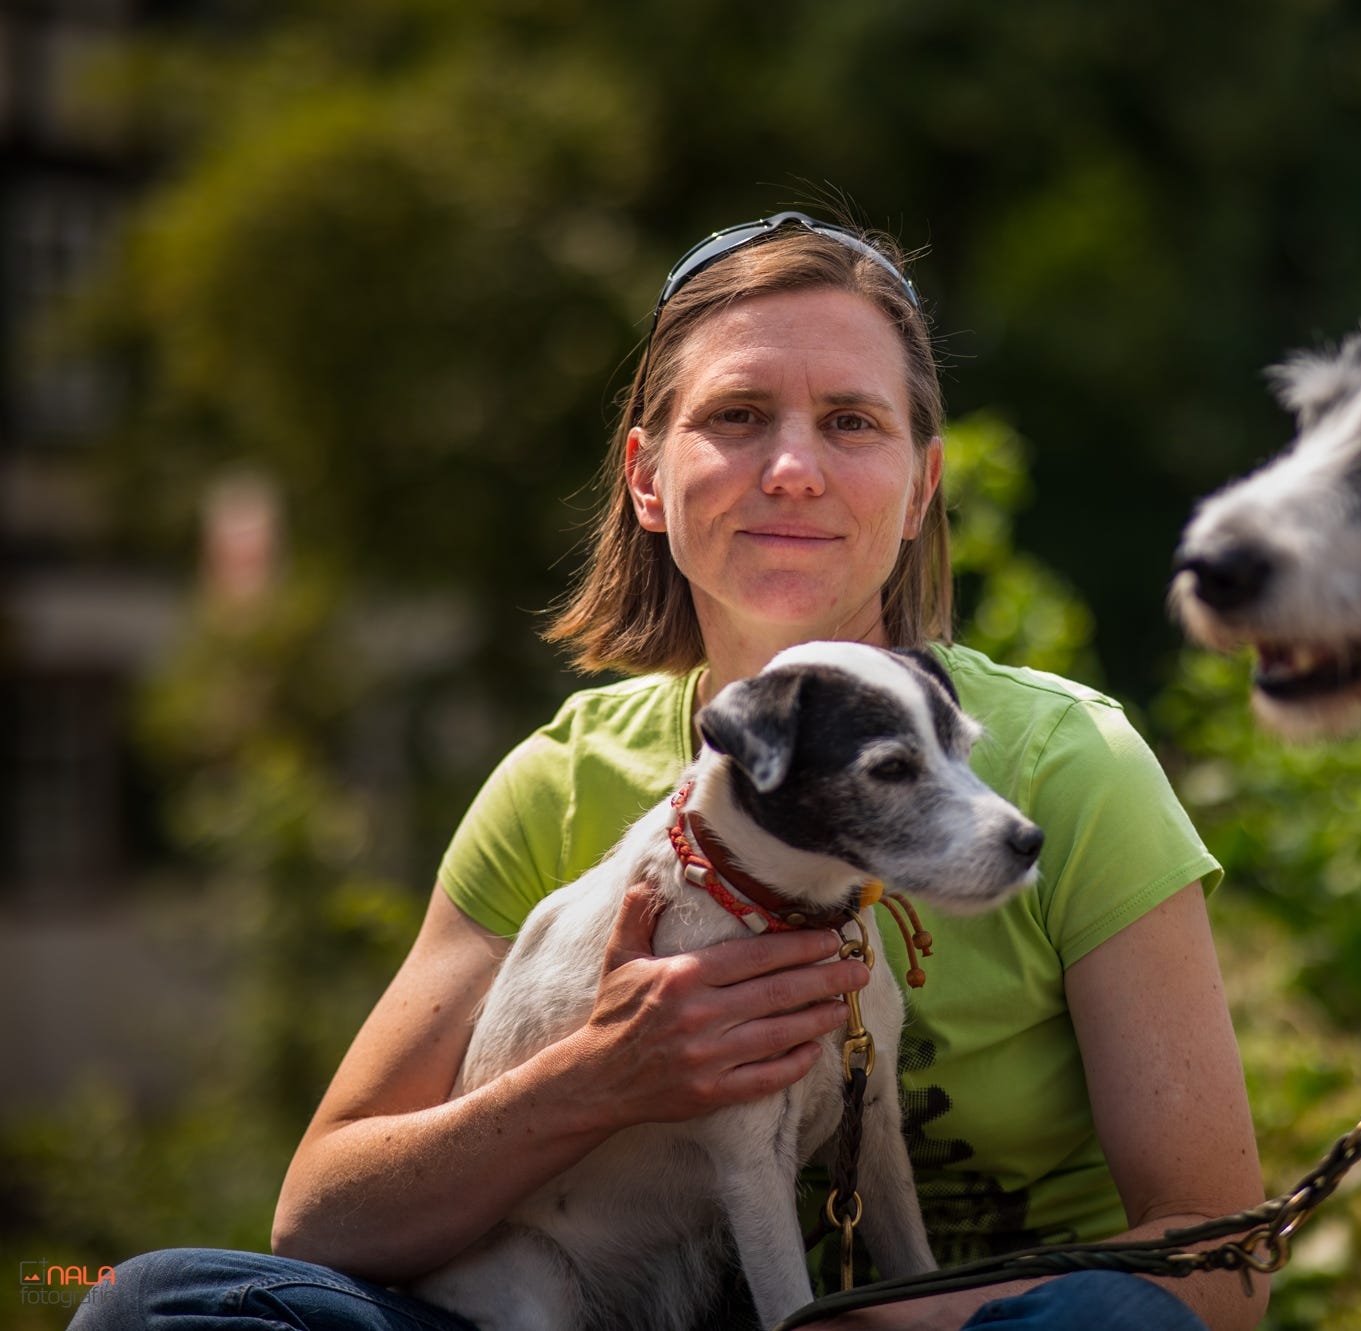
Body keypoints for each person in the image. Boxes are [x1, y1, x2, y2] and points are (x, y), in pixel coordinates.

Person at [77, 212, 1267, 1331]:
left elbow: (1221, 1260)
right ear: (646, 478)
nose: (791, 467)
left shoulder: (1067, 764)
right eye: (738, 415)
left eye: (851, 421)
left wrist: (891, 1320)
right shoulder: (560, 782)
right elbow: (323, 1218)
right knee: (155, 1301)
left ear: (920, 486)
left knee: (1112, 1315)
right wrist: (599, 1077)